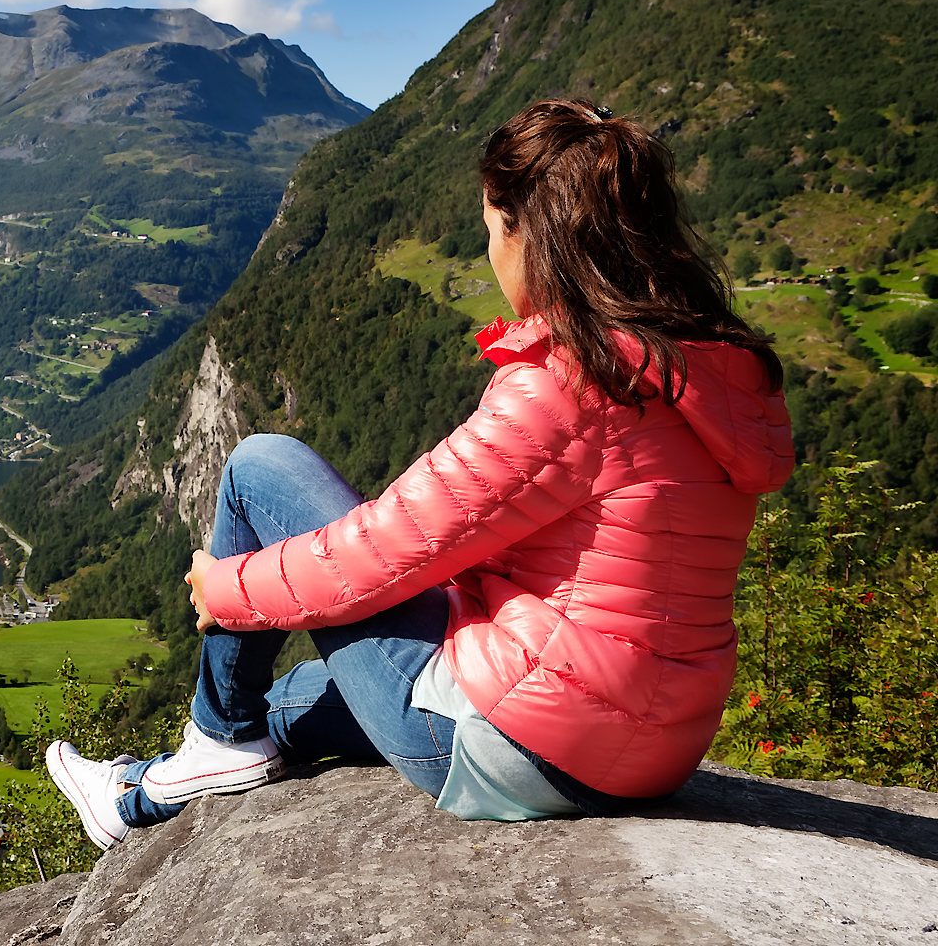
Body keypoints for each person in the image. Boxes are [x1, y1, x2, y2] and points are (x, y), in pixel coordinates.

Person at [47, 99, 794, 849]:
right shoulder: (707, 374)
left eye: (491, 231)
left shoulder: (569, 385)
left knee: (258, 466)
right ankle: (146, 791)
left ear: (528, 235)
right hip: (655, 744)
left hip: (527, 741)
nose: (491, 257)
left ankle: (213, 743)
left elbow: (380, 552)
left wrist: (227, 590)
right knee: (293, 703)